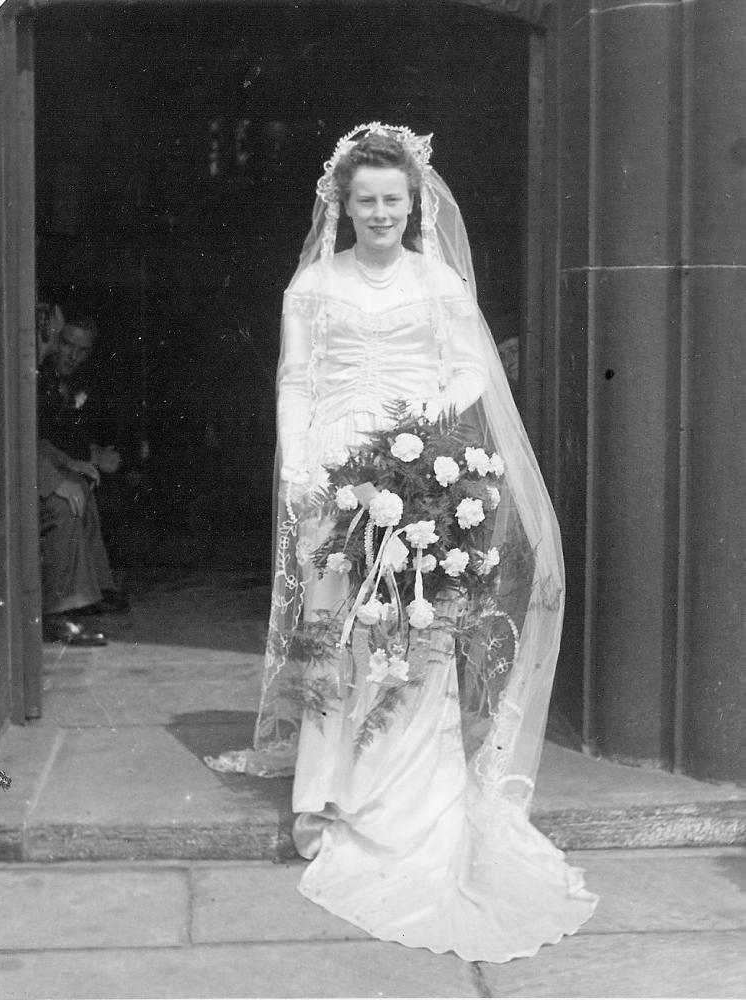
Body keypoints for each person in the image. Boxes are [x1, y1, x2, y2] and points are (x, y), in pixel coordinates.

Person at [207, 125, 598, 962]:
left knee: (414, 626)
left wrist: (423, 432)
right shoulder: (312, 284)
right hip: (334, 472)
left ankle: (413, 796)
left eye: (392, 199)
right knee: (336, 633)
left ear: (411, 203)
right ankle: (331, 790)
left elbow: (469, 371)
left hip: (420, 467)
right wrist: (299, 469)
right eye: (365, 200)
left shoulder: (437, 283)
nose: (380, 213)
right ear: (342, 206)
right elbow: (295, 378)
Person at [37, 310, 127, 645]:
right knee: (63, 504)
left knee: (81, 488)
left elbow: (43, 441)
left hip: (47, 461)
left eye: (81, 349)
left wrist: (74, 463)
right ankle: (59, 609)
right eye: (64, 343)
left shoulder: (73, 382)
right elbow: (20, 438)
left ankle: (93, 590)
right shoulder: (34, 375)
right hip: (25, 474)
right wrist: (63, 473)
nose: (71, 354)